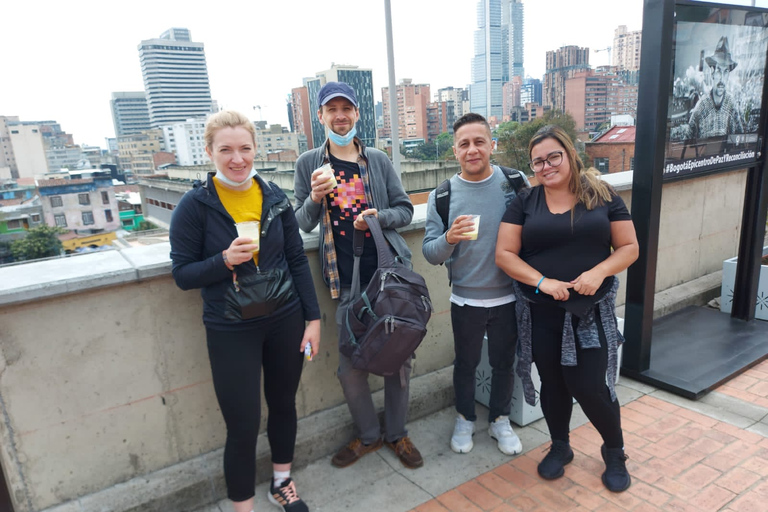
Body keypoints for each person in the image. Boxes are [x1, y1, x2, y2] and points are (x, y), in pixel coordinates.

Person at [170, 110, 321, 512]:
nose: (237, 159)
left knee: (284, 404)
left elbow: (296, 259)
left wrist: (314, 320)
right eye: (226, 150)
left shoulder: (273, 196)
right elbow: (182, 274)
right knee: (242, 424)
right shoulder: (194, 206)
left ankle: (282, 482)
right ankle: (242, 505)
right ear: (209, 152)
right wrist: (223, 261)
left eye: (245, 149)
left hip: (284, 320)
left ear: (256, 149)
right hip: (230, 329)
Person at [495, 125, 639, 493]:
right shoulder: (524, 202)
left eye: (553, 156)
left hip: (590, 312)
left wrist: (598, 271)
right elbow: (505, 255)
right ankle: (561, 445)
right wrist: (542, 281)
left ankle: (615, 449)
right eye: (538, 161)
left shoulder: (603, 195)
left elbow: (628, 247)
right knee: (554, 383)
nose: (546, 166)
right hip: (541, 310)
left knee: (589, 385)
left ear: (570, 155)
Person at [293, 81, 423, 470]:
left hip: (387, 277)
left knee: (399, 360)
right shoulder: (308, 165)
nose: (340, 115)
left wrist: (378, 218)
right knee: (349, 369)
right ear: (320, 117)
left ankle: (397, 434)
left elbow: (405, 210)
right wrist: (315, 198)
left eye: (346, 108)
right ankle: (368, 435)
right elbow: (301, 223)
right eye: (331, 109)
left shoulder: (378, 161)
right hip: (345, 282)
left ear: (357, 114)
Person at [422, 113, 527, 456]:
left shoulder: (514, 182)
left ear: (491, 145)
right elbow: (430, 253)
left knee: (503, 363)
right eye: (464, 144)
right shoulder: (443, 195)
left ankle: (499, 419)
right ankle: (465, 418)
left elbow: (536, 229)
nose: (472, 150)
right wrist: (450, 238)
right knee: (465, 363)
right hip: (465, 299)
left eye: (479, 142)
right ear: (455, 151)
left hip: (509, 297)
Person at [687, 36, 744, 139]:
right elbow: (687, 142)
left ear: (728, 75)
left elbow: (741, 141)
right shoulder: (701, 107)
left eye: (726, 71)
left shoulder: (732, 105)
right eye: (718, 71)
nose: (722, 78)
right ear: (712, 72)